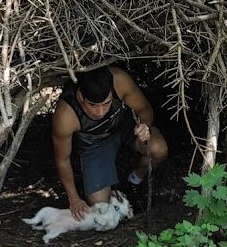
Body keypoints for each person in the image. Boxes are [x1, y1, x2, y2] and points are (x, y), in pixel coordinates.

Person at [52, 66, 168, 220]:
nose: (100, 112)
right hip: (94, 146)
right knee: (100, 206)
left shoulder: (119, 80)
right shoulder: (66, 115)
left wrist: (144, 126)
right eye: (93, 105)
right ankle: (112, 190)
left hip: (124, 127)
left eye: (106, 104)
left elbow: (144, 108)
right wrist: (73, 198)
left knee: (158, 149)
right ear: (80, 97)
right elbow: (62, 159)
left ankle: (135, 180)